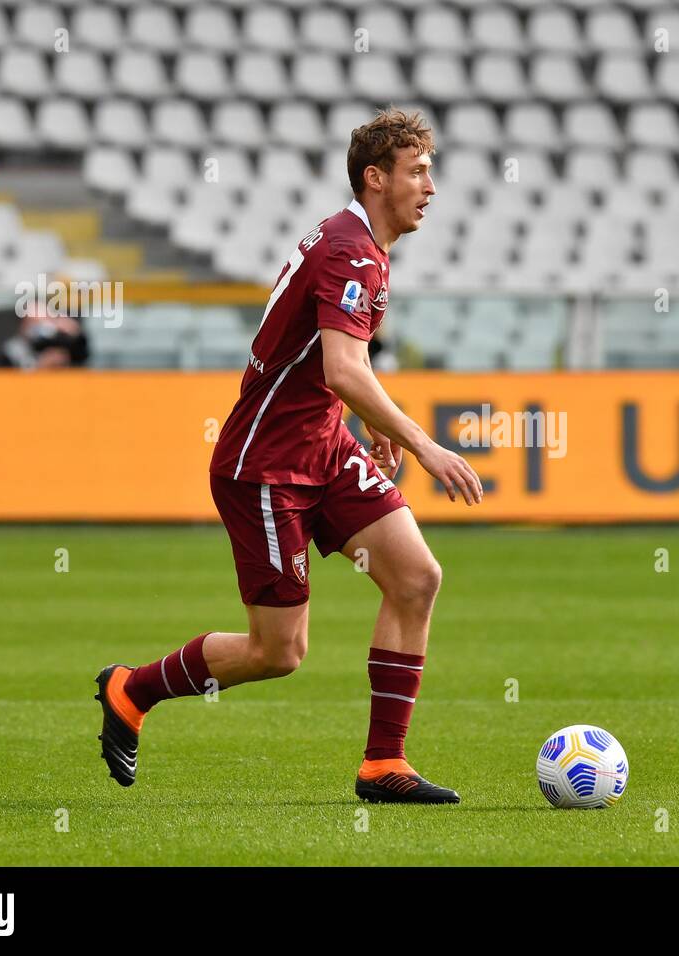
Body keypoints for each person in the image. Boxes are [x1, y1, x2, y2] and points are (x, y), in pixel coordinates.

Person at [93, 108, 483, 803]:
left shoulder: (357, 243)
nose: (430, 186)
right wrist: (423, 444)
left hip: (323, 447)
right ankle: (133, 689)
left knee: (416, 576)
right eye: (417, 171)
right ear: (375, 178)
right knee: (278, 652)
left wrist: (370, 424)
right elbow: (341, 368)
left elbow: (336, 369)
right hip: (267, 465)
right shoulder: (351, 253)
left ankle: (383, 765)